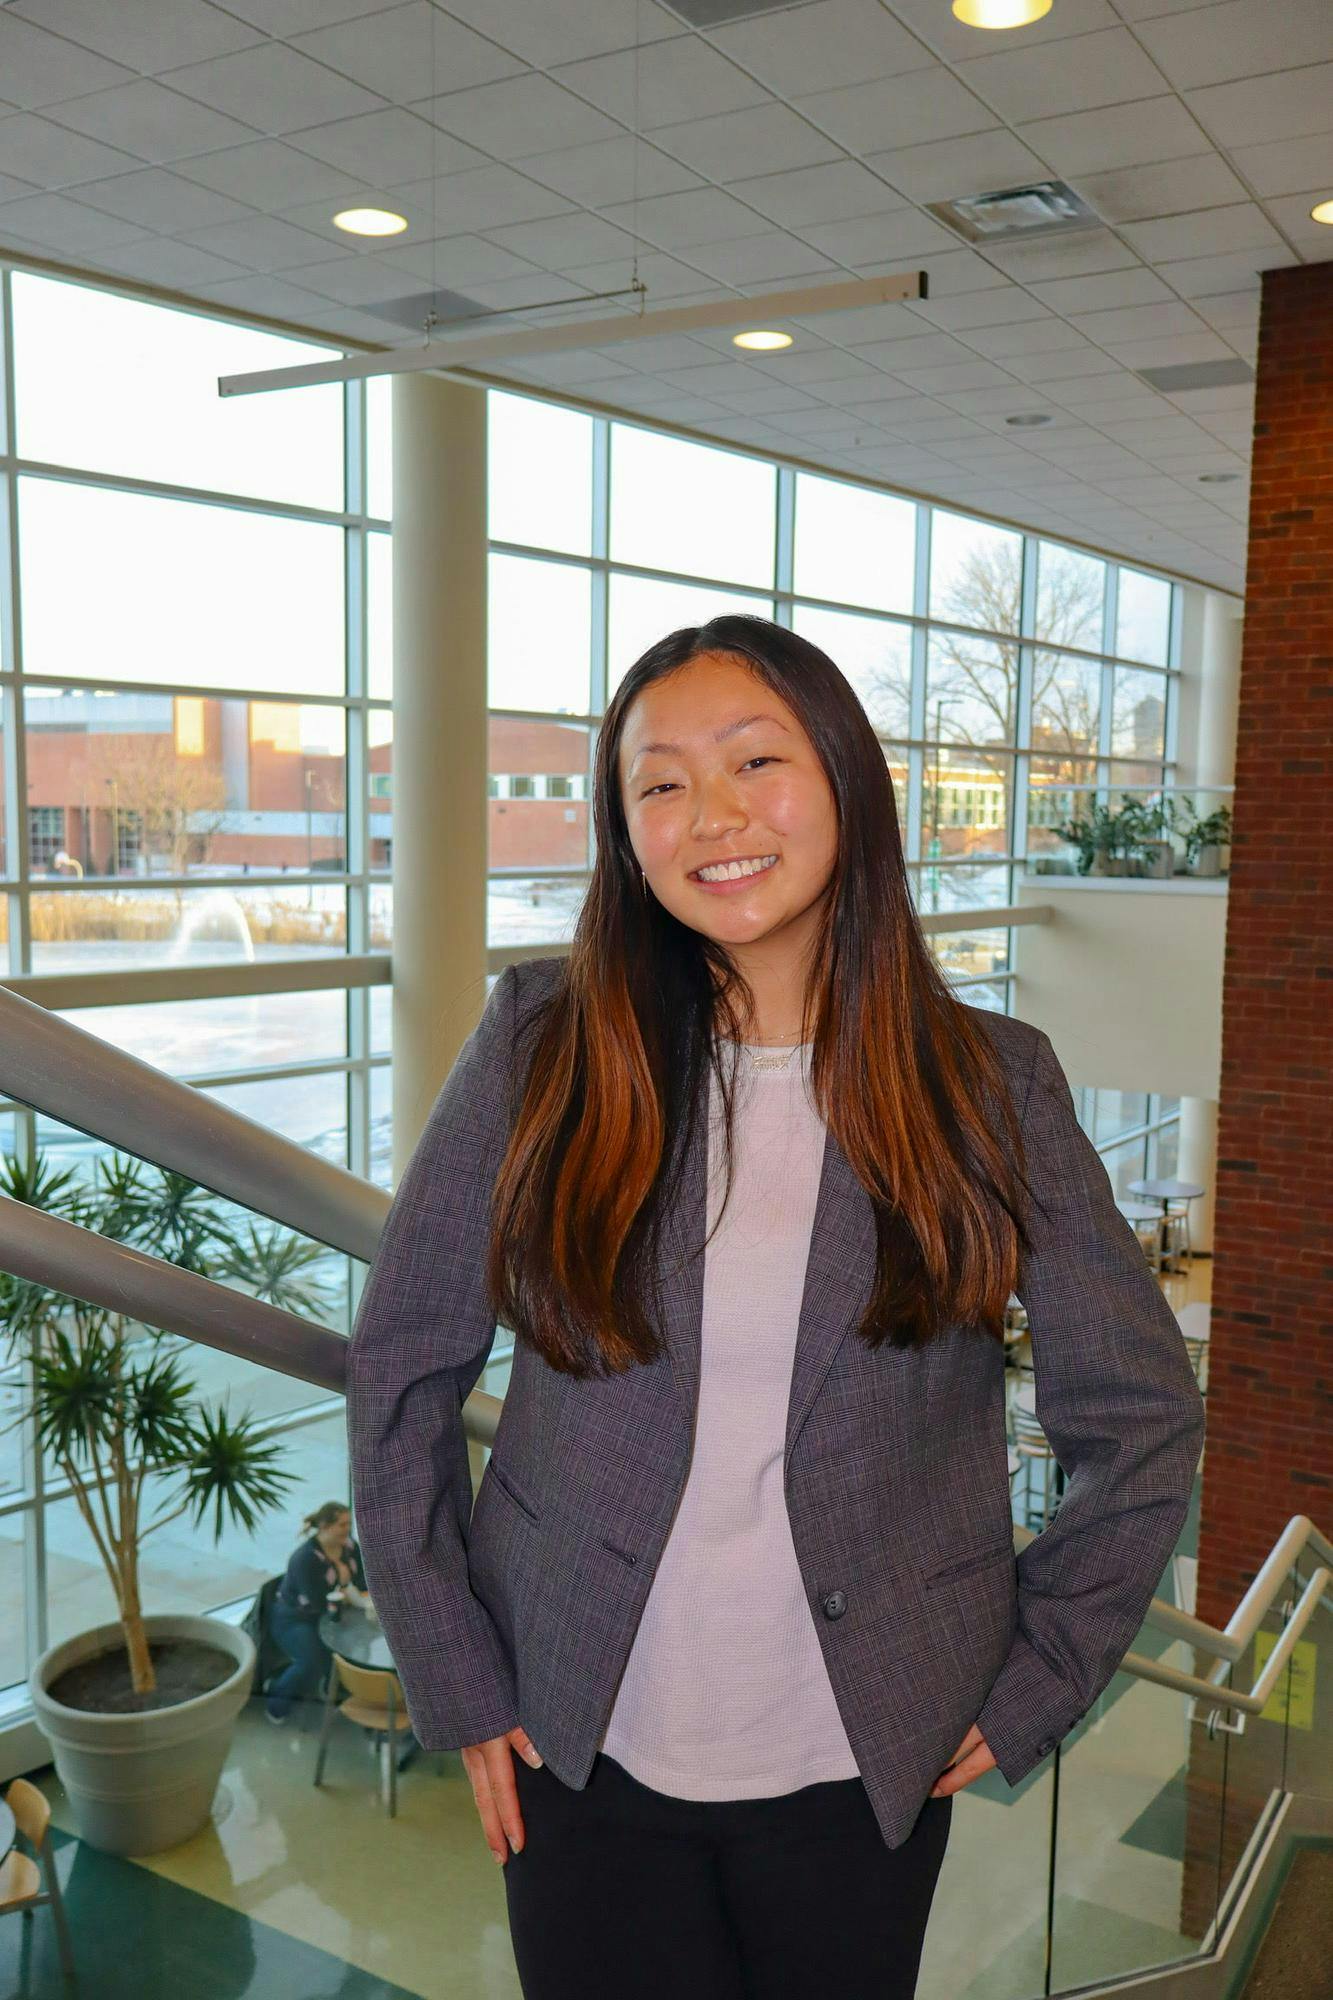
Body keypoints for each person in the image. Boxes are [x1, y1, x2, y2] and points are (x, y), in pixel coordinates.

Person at [345, 614, 1206, 1998]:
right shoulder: (541, 1043)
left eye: (756, 760)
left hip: (868, 1750)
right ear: (623, 833)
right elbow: (402, 1366)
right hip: (575, 1727)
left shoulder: (992, 1085)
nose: (714, 815)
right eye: (661, 782)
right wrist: (455, 1673)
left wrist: (1043, 1671)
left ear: (847, 784)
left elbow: (1142, 1416)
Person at [265, 1501, 371, 1725]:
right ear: (325, 1527)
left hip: (330, 1614)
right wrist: (343, 1584)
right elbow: (319, 1602)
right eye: (342, 1525)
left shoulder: (350, 1546)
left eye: (348, 1523)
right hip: (294, 1618)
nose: (348, 1529)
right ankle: (275, 1702)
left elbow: (362, 1580)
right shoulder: (305, 1559)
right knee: (309, 1662)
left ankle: (334, 1689)